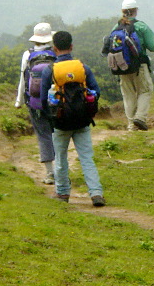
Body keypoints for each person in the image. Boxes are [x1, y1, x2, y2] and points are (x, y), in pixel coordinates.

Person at [40, 31, 105, 207]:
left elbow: (42, 99)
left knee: (60, 158)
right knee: (86, 158)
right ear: (71, 46)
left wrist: (51, 117)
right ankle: (96, 193)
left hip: (60, 123)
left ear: (54, 48)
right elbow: (96, 92)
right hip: (82, 121)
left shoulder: (50, 70)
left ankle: (62, 193)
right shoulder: (83, 68)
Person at [108, 0, 154, 131]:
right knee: (145, 90)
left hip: (122, 66)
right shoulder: (141, 26)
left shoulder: (116, 27)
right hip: (139, 66)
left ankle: (131, 124)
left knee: (128, 95)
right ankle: (140, 117)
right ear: (135, 11)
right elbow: (151, 46)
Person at [15, 22, 56, 184]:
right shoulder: (55, 54)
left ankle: (49, 173)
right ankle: (61, 169)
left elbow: (23, 80)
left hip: (34, 102)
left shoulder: (28, 55)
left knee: (43, 135)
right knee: (57, 134)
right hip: (55, 102)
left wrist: (19, 101)